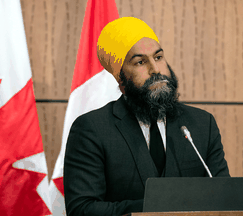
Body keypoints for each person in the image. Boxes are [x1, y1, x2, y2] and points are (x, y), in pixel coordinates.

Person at [64, 17, 230, 216]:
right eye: (140, 62)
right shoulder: (92, 129)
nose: (155, 70)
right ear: (120, 78)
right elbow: (82, 210)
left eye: (158, 57)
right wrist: (154, 207)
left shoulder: (202, 124)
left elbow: (224, 197)